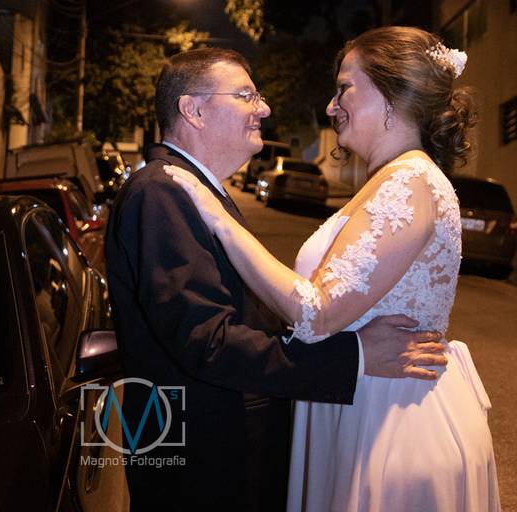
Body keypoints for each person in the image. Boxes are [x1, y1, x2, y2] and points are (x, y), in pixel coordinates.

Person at [166, 28, 500, 511]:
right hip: (359, 402)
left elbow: (316, 312)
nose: (331, 105)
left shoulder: (410, 181)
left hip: (390, 423)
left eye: (345, 88)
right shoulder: (390, 180)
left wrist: (218, 219)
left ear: (390, 93)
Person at [105, 46, 448, 511]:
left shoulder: (195, 190)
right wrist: (355, 356)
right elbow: (207, 341)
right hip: (201, 464)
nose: (264, 109)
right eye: (246, 95)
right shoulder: (163, 192)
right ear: (194, 110)